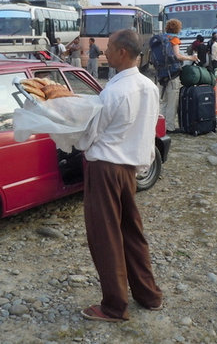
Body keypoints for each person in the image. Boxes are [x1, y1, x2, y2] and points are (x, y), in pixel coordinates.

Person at [76, 29, 163, 322]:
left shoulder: (114, 91)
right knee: (131, 233)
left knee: (106, 236)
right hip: (128, 170)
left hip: (105, 168)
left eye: (109, 48)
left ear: (122, 52)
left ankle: (114, 306)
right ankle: (149, 295)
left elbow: (89, 135)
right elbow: (147, 130)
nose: (105, 53)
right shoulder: (149, 87)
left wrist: (72, 136)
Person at [158, 19, 198, 133]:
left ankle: (161, 126)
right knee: (172, 102)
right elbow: (177, 56)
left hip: (161, 74)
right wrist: (191, 58)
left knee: (164, 102)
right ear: (177, 28)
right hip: (172, 75)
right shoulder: (174, 39)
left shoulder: (161, 39)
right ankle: (169, 127)